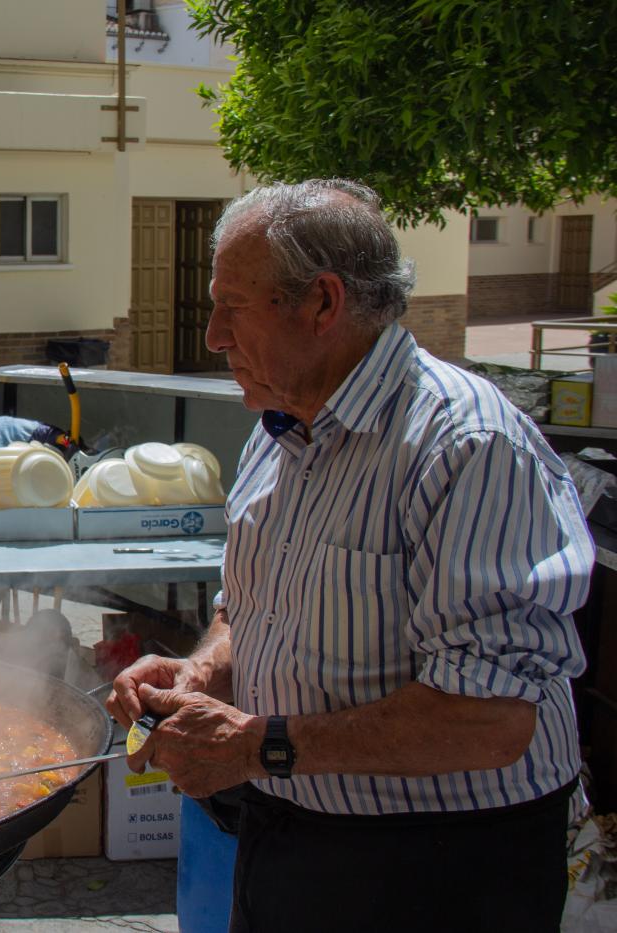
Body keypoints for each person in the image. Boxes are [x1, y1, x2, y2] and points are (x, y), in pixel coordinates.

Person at [107, 180, 593, 932]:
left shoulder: (467, 444)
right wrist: (203, 671)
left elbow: (490, 718)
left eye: (232, 306)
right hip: (290, 826)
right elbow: (253, 607)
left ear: (323, 303)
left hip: (443, 864)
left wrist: (253, 745)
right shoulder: (280, 427)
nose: (213, 336)